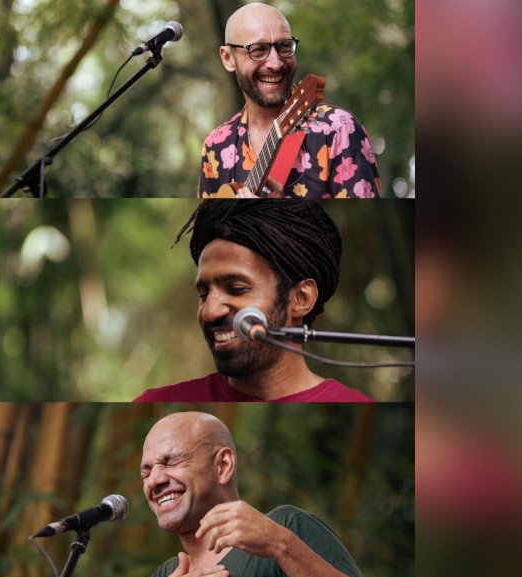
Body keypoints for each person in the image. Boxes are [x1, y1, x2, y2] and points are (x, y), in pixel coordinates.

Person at [134, 198, 372, 402]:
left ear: (301, 298)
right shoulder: (156, 402)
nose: (210, 312)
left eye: (236, 289)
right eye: (203, 295)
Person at [138, 411, 381, 577]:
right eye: (146, 472)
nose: (155, 480)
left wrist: (280, 545)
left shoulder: (285, 526)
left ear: (222, 466)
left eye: (171, 462)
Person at [199, 3, 380, 199]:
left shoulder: (338, 129)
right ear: (228, 58)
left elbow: (366, 229)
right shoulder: (216, 146)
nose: (276, 64)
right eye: (258, 50)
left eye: (284, 47)